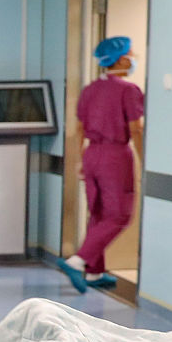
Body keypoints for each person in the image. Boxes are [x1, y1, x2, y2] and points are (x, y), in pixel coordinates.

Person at [58, 35, 144, 293]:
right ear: (121, 59)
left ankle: (95, 273)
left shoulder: (90, 90)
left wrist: (79, 161)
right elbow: (136, 129)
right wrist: (145, 160)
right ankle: (78, 261)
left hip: (91, 154)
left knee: (98, 212)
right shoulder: (129, 91)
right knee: (119, 215)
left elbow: (79, 129)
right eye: (131, 54)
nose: (134, 59)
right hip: (115, 156)